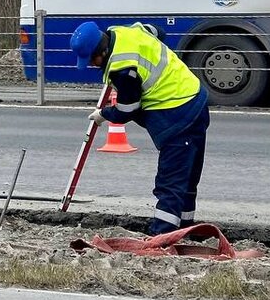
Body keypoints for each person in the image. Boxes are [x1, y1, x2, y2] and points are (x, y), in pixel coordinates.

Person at [70, 20, 210, 235]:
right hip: (195, 98)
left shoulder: (123, 69)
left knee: (170, 183)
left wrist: (103, 114)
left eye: (91, 59)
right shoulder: (127, 31)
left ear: (102, 52)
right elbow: (158, 32)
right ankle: (187, 231)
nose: (91, 64)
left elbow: (127, 110)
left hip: (177, 114)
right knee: (188, 178)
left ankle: (162, 236)